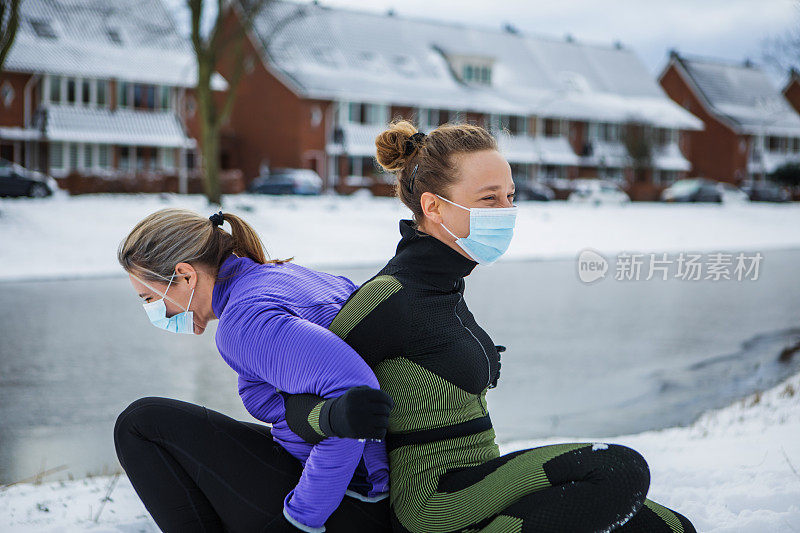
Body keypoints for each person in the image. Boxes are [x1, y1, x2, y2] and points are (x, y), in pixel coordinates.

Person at [280, 120, 697, 533]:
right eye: (489, 199)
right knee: (619, 471)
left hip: (483, 485)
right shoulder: (389, 296)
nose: (507, 212)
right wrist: (335, 414)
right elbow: (294, 403)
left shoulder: (446, 287)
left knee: (672, 528)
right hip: (435, 505)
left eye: (510, 197)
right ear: (434, 207)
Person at [113, 208, 395, 532]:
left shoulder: (243, 320)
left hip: (350, 499)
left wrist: (299, 522)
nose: (154, 311)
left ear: (186, 275)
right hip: (353, 479)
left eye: (149, 298)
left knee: (139, 425)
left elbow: (357, 397)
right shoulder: (283, 276)